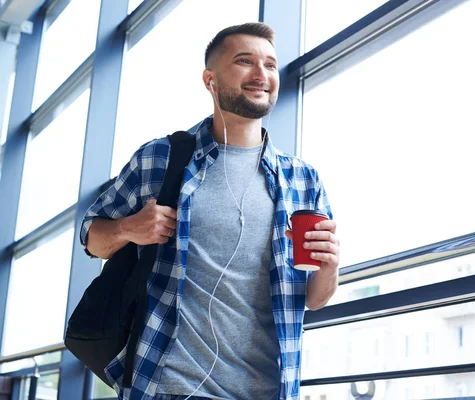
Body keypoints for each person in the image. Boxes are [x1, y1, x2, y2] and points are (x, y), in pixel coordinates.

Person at [80, 22, 340, 400]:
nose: (261, 74)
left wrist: (330, 266)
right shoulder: (161, 158)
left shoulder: (302, 180)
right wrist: (128, 229)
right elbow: (91, 237)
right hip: (167, 386)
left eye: (270, 64)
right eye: (244, 61)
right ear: (210, 79)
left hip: (268, 390)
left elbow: (314, 298)